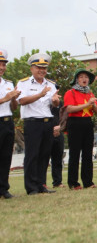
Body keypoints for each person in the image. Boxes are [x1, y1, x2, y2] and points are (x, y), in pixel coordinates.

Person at [16, 53, 60, 195]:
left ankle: (41, 184)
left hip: (47, 122)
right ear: (32, 68)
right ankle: (31, 187)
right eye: (38, 67)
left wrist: (55, 102)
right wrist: (40, 94)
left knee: (44, 154)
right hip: (32, 122)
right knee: (32, 155)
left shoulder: (51, 84)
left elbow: (53, 104)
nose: (41, 70)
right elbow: (21, 101)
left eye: (44, 68)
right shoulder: (24, 83)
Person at [63, 68, 97, 189]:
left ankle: (88, 182)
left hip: (87, 123)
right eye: (81, 77)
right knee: (74, 154)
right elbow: (69, 109)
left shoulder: (90, 93)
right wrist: (87, 104)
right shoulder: (71, 92)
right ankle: (73, 183)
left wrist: (93, 105)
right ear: (76, 79)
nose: (84, 79)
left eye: (86, 77)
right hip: (75, 123)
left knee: (88, 154)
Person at [0, 49, 21, 199]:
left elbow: (13, 108)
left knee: (6, 156)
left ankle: (3, 188)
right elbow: (5, 100)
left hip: (7, 122)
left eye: (4, 65)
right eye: (0, 64)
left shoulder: (8, 83)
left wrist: (13, 98)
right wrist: (6, 97)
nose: (2, 67)